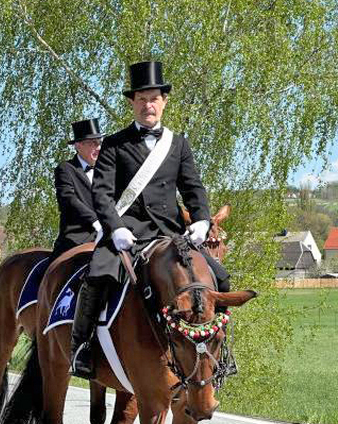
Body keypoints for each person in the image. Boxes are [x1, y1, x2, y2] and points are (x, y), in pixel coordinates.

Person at [70, 60, 230, 378]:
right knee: (99, 274)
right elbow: (100, 194)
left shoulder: (178, 144)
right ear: (132, 103)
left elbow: (193, 188)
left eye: (154, 98)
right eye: (141, 99)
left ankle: (219, 352)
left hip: (171, 235)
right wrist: (115, 229)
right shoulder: (115, 144)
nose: (148, 105)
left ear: (164, 101)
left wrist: (200, 220)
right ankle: (82, 347)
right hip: (127, 234)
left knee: (219, 277)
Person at [51, 118, 104, 259]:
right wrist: (95, 221)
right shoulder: (66, 169)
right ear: (78, 146)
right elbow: (68, 200)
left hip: (107, 234)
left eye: (99, 143)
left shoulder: (107, 171)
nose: (98, 147)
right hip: (77, 238)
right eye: (93, 143)